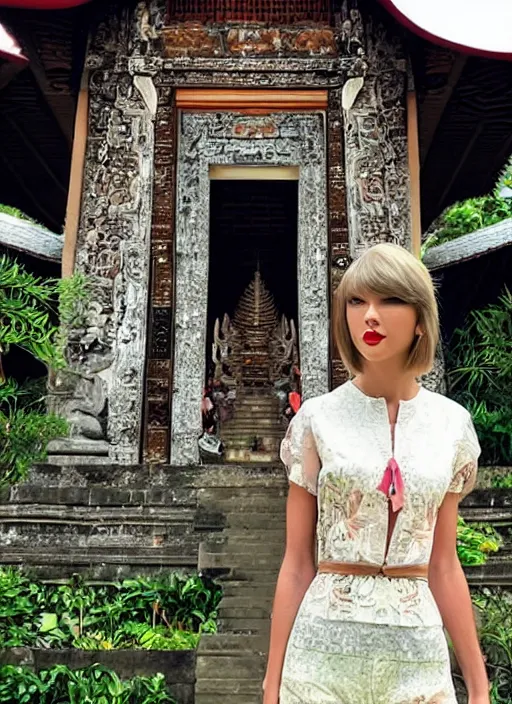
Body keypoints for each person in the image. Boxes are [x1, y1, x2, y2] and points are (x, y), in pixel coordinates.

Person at [262, 244, 490, 704]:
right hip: (320, 655)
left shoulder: (451, 426)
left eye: (389, 300)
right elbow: (297, 561)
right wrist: (272, 681)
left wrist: (479, 686)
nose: (370, 315)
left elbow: (444, 565)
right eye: (356, 301)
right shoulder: (316, 419)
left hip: (417, 658)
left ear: (421, 318)